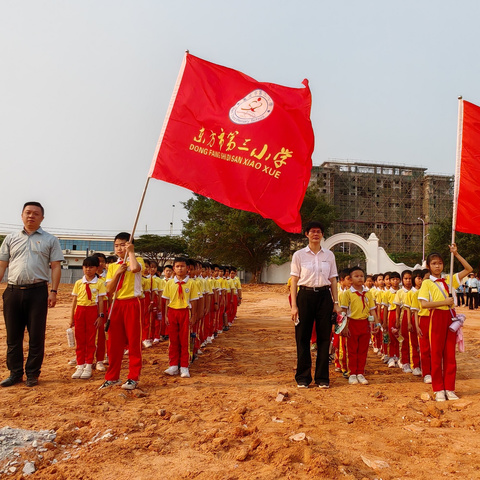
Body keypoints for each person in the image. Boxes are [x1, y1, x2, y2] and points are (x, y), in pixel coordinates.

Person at [0, 202, 64, 387]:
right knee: (13, 336)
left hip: (38, 293)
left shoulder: (50, 240)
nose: (31, 216)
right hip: (12, 292)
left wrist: (53, 291)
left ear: (42, 218)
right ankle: (15, 373)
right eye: (28, 213)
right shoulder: (10, 238)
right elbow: (2, 264)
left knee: (36, 335)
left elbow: (56, 266)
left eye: (36, 213)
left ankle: (32, 374)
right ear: (21, 215)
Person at [290, 221, 341, 389]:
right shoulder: (299, 255)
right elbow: (294, 281)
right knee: (302, 337)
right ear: (306, 234)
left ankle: (322, 378)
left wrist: (336, 302)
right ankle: (303, 377)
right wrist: (294, 306)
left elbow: (333, 279)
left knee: (324, 338)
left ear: (322, 235)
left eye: (319, 231)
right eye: (312, 231)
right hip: (304, 295)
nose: (315, 234)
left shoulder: (329, 255)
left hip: (324, 296)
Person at [418, 244, 472, 402]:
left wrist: (456, 254)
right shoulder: (427, 283)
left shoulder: (449, 279)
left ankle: (449, 388)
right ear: (428, 266)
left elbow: (468, 269)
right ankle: (438, 388)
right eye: (434, 263)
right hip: (436, 317)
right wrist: (444, 301)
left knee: (450, 354)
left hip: (450, 317)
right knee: (436, 353)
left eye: (440, 263)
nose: (437, 266)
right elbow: (424, 304)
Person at [99, 232, 144, 391]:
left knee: (133, 341)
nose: (119, 248)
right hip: (116, 304)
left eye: (123, 245)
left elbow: (134, 269)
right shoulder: (111, 267)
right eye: (117, 245)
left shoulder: (138, 261)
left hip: (132, 303)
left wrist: (131, 252)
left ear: (130, 245)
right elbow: (109, 290)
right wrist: (118, 272)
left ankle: (133, 377)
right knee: (113, 343)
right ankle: (112, 377)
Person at [341, 266, 378, 385]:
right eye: (356, 276)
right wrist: (344, 326)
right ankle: (352, 373)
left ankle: (360, 373)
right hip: (352, 323)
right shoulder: (347, 294)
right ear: (350, 279)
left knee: (363, 349)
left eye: (362, 276)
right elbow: (343, 311)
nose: (360, 278)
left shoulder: (368, 293)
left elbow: (372, 310)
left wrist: (376, 323)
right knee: (352, 350)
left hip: (365, 323)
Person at [162, 257, 199, 378]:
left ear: (187, 268)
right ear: (174, 268)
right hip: (172, 312)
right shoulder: (169, 283)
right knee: (173, 340)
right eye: (177, 266)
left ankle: (184, 366)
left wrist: (193, 315)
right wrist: (166, 315)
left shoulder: (192, 283)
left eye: (182, 266)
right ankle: (173, 365)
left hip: (185, 312)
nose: (180, 268)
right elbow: (167, 300)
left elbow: (194, 301)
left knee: (185, 339)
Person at [70, 257, 106, 379]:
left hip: (92, 311)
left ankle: (89, 365)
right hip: (80, 311)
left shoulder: (100, 283)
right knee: (80, 339)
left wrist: (100, 316)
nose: (88, 269)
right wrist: (71, 318)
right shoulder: (79, 283)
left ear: (96, 268)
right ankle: (80, 364)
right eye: (85, 267)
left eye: (91, 267)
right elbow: (74, 301)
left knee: (91, 340)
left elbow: (101, 300)